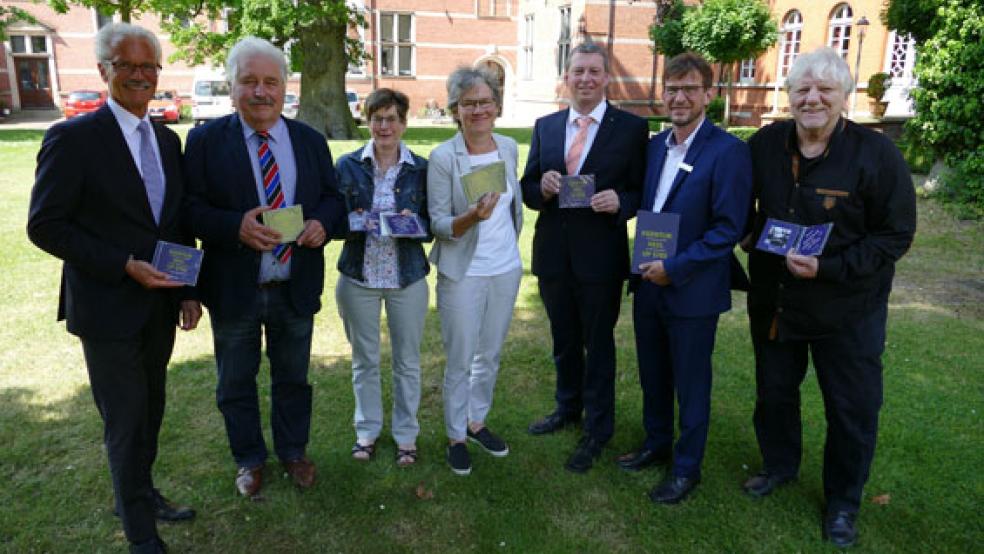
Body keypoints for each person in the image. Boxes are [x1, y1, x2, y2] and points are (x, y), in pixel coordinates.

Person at [27, 22, 198, 554]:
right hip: (106, 307)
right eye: (128, 65)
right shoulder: (72, 139)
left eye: (149, 66)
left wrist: (188, 288)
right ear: (104, 71)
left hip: (159, 304)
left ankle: (144, 494)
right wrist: (123, 265)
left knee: (150, 411)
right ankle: (140, 535)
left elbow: (174, 223)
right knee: (124, 421)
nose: (141, 76)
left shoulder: (169, 140)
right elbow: (46, 225)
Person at [742, 48, 917, 547]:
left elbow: (895, 234)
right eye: (802, 88)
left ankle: (843, 502)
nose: (812, 98)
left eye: (824, 89)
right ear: (789, 94)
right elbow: (741, 198)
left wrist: (831, 267)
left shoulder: (876, 154)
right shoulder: (766, 144)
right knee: (774, 394)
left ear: (844, 96)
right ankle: (779, 467)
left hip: (849, 311)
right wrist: (748, 231)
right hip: (777, 301)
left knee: (851, 410)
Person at [183, 37, 345, 498]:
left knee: (293, 377)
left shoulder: (310, 141)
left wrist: (321, 224)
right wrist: (233, 226)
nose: (261, 92)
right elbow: (188, 210)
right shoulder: (204, 141)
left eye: (270, 82)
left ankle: (293, 451)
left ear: (285, 87)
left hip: (294, 284)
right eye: (249, 81)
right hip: (235, 287)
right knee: (235, 381)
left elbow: (333, 199)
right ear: (232, 86)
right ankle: (249, 460)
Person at [617, 53, 752, 504]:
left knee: (692, 382)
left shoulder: (728, 152)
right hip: (647, 283)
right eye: (672, 89)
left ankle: (686, 468)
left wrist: (673, 268)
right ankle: (656, 444)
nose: (679, 97)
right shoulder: (655, 147)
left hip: (692, 290)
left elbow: (727, 229)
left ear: (708, 95)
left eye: (689, 89)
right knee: (653, 373)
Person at [521, 41, 648, 473]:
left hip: (600, 259)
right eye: (578, 71)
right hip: (554, 256)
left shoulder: (631, 129)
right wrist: (544, 187)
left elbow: (643, 191)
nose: (586, 79)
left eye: (594, 72)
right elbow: (528, 187)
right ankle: (567, 407)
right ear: (567, 77)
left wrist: (621, 201)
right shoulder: (546, 125)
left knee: (598, 343)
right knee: (564, 339)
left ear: (606, 78)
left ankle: (598, 427)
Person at [427, 66, 524, 476]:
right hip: (463, 271)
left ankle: (476, 420)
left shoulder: (508, 147)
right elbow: (437, 223)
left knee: (491, 353)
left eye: (485, 102)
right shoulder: (444, 157)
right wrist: (469, 217)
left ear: (497, 107)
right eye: (469, 104)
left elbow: (514, 205)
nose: (479, 109)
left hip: (505, 268)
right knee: (462, 357)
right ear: (455, 110)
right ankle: (455, 435)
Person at [335, 88, 431, 467]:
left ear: (403, 123)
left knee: (407, 361)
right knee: (364, 360)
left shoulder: (421, 168)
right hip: (359, 276)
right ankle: (367, 431)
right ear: (367, 121)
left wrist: (410, 224)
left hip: (406, 277)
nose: (384, 126)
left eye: (392, 118)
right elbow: (331, 220)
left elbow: (433, 224)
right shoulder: (347, 165)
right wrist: (355, 220)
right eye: (377, 118)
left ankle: (406, 435)